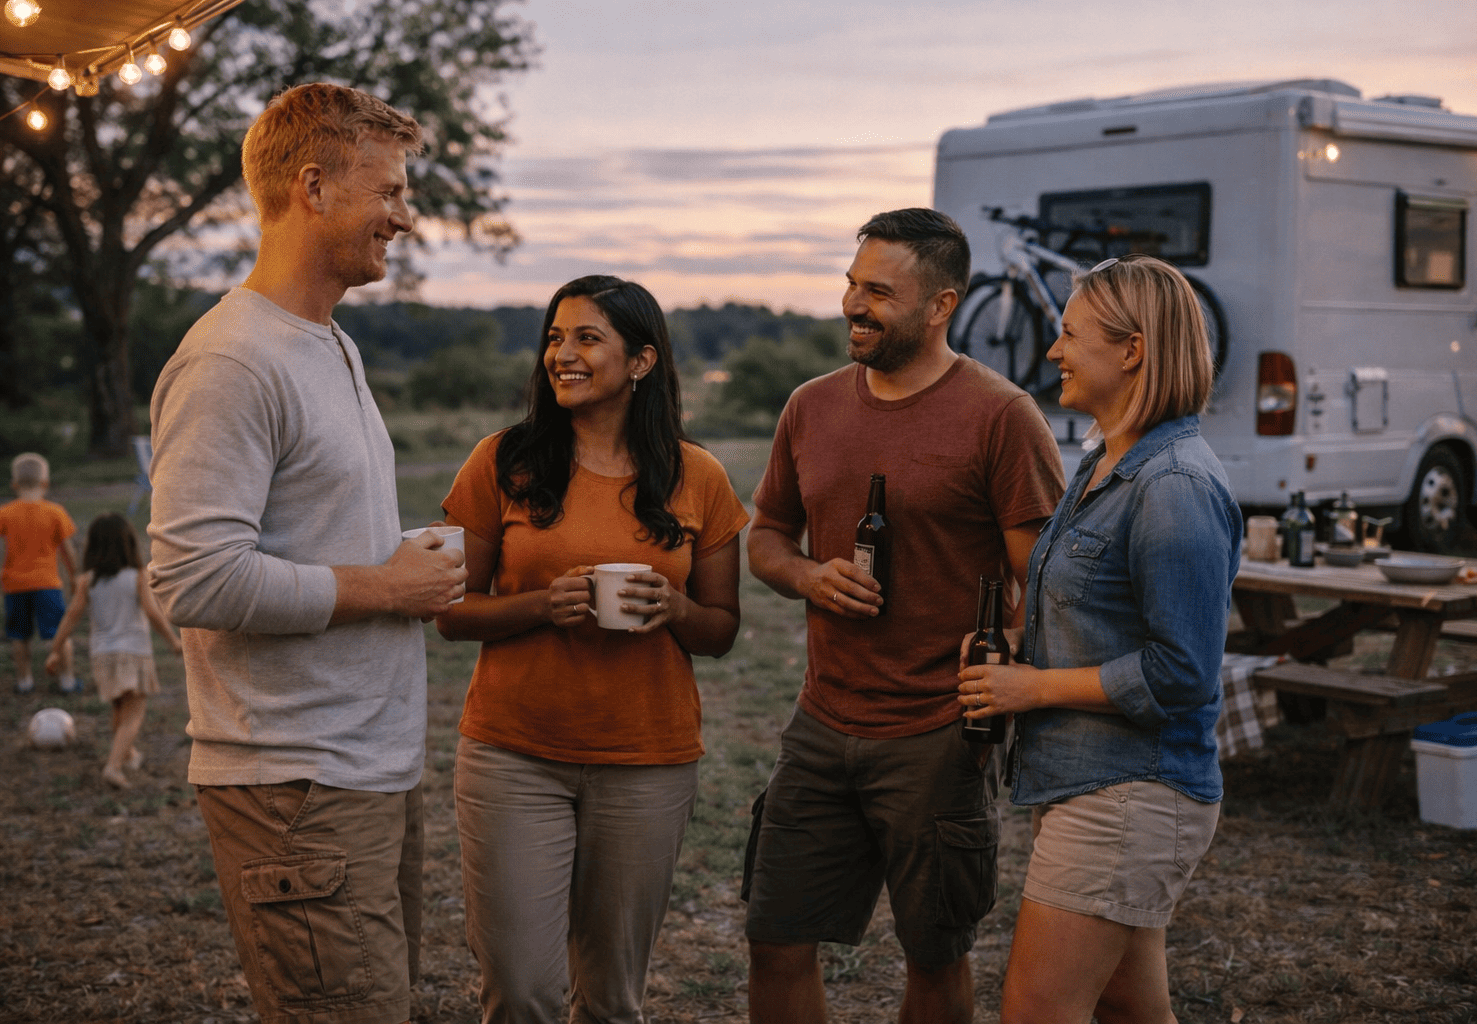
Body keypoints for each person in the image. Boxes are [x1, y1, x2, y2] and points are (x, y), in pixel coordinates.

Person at [147, 83, 468, 1024]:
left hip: (361, 770)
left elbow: (299, 533)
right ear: (314, 185)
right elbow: (194, 576)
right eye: (391, 191)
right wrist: (384, 584)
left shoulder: (330, 343)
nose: (405, 218)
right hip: (292, 781)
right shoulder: (231, 360)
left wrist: (404, 558)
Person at [744, 208, 1066, 1024]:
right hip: (821, 721)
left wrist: (1012, 654)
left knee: (933, 952)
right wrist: (810, 577)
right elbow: (768, 539)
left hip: (937, 733)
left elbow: (1052, 583)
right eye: (852, 284)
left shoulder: (1001, 417)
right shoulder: (811, 407)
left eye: (879, 292)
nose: (854, 304)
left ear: (941, 304)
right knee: (775, 936)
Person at [436, 274, 750, 1023]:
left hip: (648, 762)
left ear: (641, 361)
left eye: (585, 338)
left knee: (611, 1000)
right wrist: (545, 605)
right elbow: (451, 611)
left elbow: (722, 630)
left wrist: (674, 607)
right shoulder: (501, 460)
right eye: (554, 337)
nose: (562, 354)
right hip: (514, 756)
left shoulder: (696, 475)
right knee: (520, 991)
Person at [957, 254, 1240, 1024]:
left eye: (1069, 334)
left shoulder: (1173, 485)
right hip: (1093, 781)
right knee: (1129, 1008)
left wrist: (1034, 688)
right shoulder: (1102, 464)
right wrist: (1019, 646)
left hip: (1129, 792)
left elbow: (1181, 671)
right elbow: (1098, 617)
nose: (1052, 352)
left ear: (1132, 350)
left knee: (1037, 1011)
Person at [46, 512, 182, 789]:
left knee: (119, 709)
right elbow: (153, 613)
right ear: (128, 544)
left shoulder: (87, 580)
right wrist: (173, 641)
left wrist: (55, 650)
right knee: (134, 715)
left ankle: (129, 754)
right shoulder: (136, 576)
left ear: (92, 547)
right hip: (133, 653)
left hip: (103, 656)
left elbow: (72, 616)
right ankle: (113, 766)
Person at [0, 452, 79, 695]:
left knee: (19, 637)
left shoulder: (5, 513)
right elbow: (68, 551)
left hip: (15, 586)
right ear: (45, 483)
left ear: (14, 485)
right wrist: (74, 578)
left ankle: (24, 682)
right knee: (57, 636)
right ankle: (67, 681)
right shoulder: (56, 512)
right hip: (48, 586)